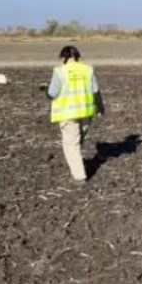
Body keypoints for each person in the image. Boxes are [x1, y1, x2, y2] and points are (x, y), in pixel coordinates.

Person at [45, 45, 105, 182]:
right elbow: (96, 91)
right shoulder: (88, 69)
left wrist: (45, 93)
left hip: (67, 114)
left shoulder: (60, 71)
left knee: (71, 145)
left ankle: (79, 177)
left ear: (63, 58)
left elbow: (52, 93)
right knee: (77, 141)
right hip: (86, 113)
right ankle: (78, 164)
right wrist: (100, 108)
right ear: (77, 56)